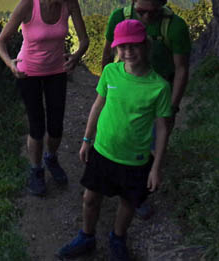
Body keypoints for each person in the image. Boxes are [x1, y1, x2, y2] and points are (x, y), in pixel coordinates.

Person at [57, 19, 172, 260]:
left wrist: (157, 167)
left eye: (134, 46)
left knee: (128, 203)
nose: (128, 52)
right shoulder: (110, 72)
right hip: (103, 150)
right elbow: (97, 105)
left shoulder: (159, 87)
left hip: (136, 158)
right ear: (116, 48)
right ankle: (87, 236)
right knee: (90, 198)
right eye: (123, 47)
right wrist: (87, 139)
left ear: (145, 46)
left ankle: (117, 238)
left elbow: (162, 129)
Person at [0, 0, 89, 196]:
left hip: (57, 71)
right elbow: (1, 41)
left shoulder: (70, 2)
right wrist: (10, 64)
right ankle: (36, 170)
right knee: (37, 127)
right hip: (28, 73)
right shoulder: (27, 6)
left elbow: (84, 39)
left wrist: (76, 56)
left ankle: (51, 158)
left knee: (56, 126)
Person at [101, 0, 191, 219]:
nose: (146, 17)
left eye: (152, 12)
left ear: (162, 6)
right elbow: (108, 54)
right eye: (141, 11)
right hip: (128, 89)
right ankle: (126, 187)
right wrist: (105, 85)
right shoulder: (119, 17)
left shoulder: (175, 27)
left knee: (151, 146)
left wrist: (172, 107)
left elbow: (182, 69)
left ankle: (138, 194)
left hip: (158, 94)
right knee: (129, 138)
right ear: (133, 3)